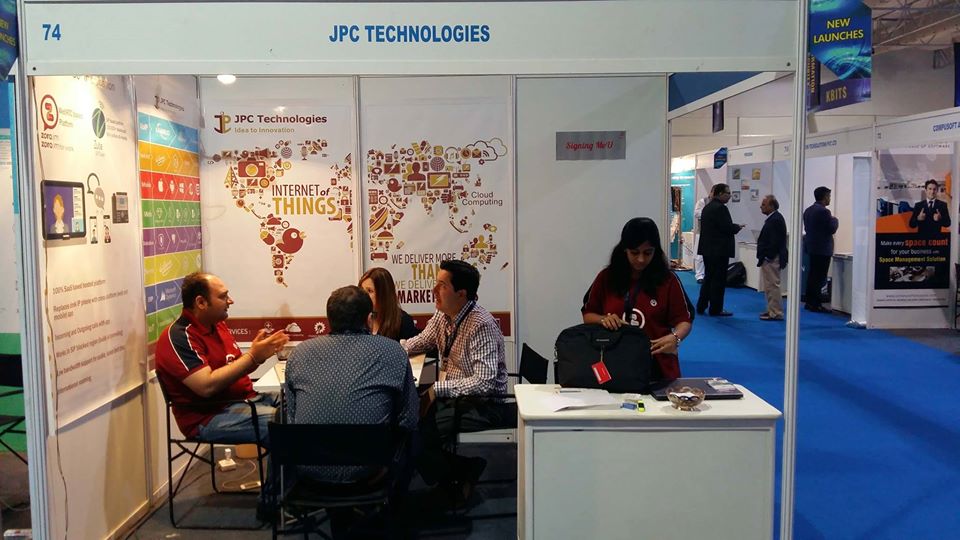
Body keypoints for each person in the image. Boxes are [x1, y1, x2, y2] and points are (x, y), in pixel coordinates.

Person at [284, 285, 418, 535]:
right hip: (369, 471)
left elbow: (292, 418)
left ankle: (342, 520)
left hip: (310, 471)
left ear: (328, 319)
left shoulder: (299, 354)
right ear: (368, 319)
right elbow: (409, 418)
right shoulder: (393, 352)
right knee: (412, 439)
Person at [155, 272, 288, 512]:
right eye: (223, 296)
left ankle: (299, 491)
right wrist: (253, 357)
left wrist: (255, 356)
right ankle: (274, 503)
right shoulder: (179, 337)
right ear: (201, 302)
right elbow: (206, 386)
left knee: (303, 406)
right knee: (283, 424)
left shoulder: (218, 326)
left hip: (244, 401)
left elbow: (232, 369)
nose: (230, 301)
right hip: (208, 416)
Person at [403, 259, 508, 503]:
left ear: (461, 294)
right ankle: (459, 472)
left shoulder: (481, 324)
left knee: (416, 432)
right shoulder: (443, 315)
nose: (434, 290)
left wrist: (436, 390)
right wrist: (388, 351)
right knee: (412, 424)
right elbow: (420, 342)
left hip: (483, 404)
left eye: (442, 286)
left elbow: (484, 383)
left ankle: (461, 472)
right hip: (456, 396)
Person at [582, 217, 693, 380]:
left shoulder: (668, 280)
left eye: (648, 253)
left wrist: (675, 338)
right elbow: (588, 315)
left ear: (656, 251)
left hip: (658, 365)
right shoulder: (606, 277)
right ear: (624, 250)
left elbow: (684, 320)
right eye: (634, 253)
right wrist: (603, 320)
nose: (641, 259)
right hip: (614, 363)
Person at [696, 184, 744, 316]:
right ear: (720, 193)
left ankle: (701, 305)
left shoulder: (707, 207)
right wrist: (736, 227)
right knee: (718, 281)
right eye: (728, 193)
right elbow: (726, 227)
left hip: (707, 250)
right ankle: (716, 308)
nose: (730, 196)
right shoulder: (721, 208)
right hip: (719, 251)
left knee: (708, 278)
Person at [802, 186, 838, 313]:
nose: (829, 199)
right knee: (819, 277)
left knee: (812, 275)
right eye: (829, 196)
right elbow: (831, 228)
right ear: (824, 197)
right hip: (822, 249)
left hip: (812, 248)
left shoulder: (808, 210)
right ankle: (816, 303)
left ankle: (810, 302)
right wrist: (835, 220)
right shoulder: (824, 212)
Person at [359, 267, 420, 341]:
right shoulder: (358, 319)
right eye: (361, 290)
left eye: (369, 291)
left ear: (384, 294)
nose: (364, 295)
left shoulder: (403, 321)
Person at [756, 195, 787, 321]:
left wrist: (768, 256)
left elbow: (774, 241)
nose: (761, 207)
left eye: (764, 204)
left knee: (773, 285)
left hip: (772, 258)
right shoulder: (773, 218)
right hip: (770, 257)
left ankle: (776, 312)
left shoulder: (775, 219)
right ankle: (771, 310)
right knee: (769, 286)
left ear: (772, 206)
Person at [693, 193, 711, 282]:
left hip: (714, 234)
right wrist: (709, 212)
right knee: (700, 256)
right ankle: (699, 275)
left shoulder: (722, 204)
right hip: (701, 232)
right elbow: (696, 214)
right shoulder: (703, 201)